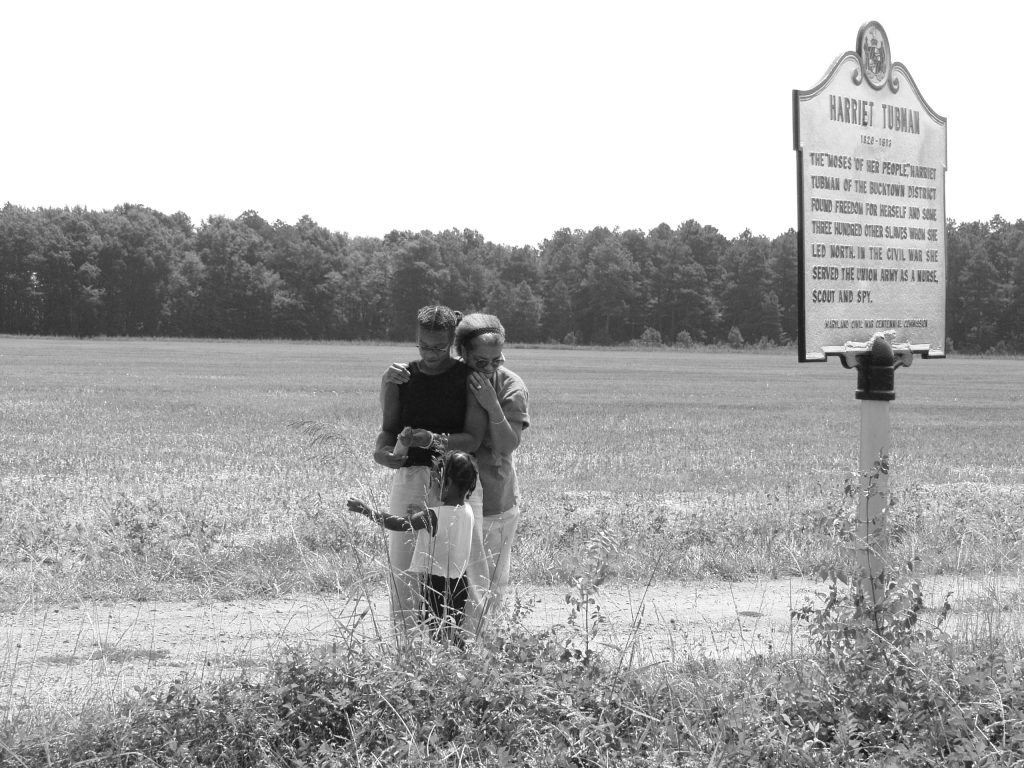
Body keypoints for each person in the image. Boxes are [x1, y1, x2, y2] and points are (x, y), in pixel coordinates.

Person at [383, 313, 529, 632]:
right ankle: (431, 644)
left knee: (483, 587)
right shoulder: (458, 378)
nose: (490, 367)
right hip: (453, 495)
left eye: (497, 360)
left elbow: (505, 446)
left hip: (493, 500)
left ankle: (479, 652)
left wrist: (491, 404)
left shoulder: (509, 385)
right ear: (460, 352)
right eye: (481, 361)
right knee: (434, 578)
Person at [374, 305, 486, 636]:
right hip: (410, 479)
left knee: (459, 566)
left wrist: (433, 440)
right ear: (416, 339)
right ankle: (407, 647)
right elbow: (388, 430)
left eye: (439, 347)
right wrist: (383, 454)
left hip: (457, 480)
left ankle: (459, 643)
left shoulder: (468, 379)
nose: (431, 353)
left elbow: (474, 438)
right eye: (424, 346)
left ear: (452, 341)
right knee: (404, 566)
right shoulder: (401, 377)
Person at [347, 450, 479, 647]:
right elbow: (445, 522)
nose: (433, 486)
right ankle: (460, 660)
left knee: (436, 632)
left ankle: (452, 662)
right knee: (452, 628)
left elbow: (400, 524)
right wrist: (422, 513)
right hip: (460, 584)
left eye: (435, 480)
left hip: (436, 584)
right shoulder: (467, 511)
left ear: (447, 483)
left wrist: (367, 510)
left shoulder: (432, 515)